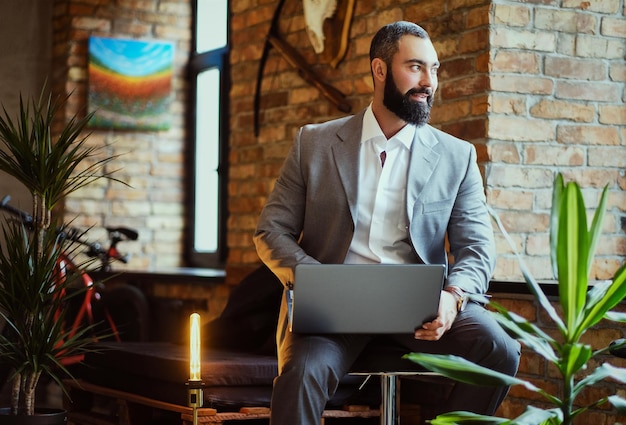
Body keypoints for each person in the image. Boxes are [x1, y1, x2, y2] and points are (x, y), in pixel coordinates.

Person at [253, 21, 520, 425]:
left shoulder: (457, 156)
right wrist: (317, 281)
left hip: (420, 309)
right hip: (332, 306)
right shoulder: (314, 143)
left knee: (500, 349)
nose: (428, 81)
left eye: (434, 69)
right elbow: (271, 230)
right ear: (380, 70)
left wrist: (453, 297)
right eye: (415, 67)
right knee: (300, 374)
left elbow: (477, 249)